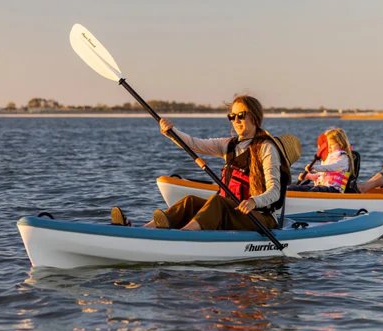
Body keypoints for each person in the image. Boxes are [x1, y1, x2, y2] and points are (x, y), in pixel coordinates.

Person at [111, 95, 300, 230]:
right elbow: (194, 144)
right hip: (234, 212)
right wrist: (171, 132)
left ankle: (184, 235)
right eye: (232, 116)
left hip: (261, 218)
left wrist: (253, 202)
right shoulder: (229, 145)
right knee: (190, 202)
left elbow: (274, 191)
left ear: (254, 117)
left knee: (217, 201)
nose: (236, 120)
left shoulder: (266, 148)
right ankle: (144, 231)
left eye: (241, 115)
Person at [293, 128, 356, 192]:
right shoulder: (329, 158)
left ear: (340, 144)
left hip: (335, 189)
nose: (329, 147)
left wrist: (314, 167)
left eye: (331, 145)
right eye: (328, 145)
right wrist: (307, 176)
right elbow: (320, 176)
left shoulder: (343, 158)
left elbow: (331, 167)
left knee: (314, 190)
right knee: (295, 188)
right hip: (323, 186)